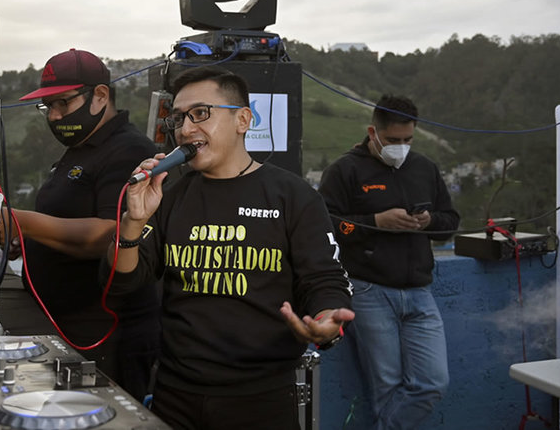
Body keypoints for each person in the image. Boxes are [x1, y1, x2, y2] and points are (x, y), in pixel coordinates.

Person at [105, 65, 354, 430]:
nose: (186, 129)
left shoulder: (293, 196)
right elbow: (122, 282)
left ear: (243, 120)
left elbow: (324, 279)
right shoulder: (171, 197)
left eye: (200, 114)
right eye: (178, 118)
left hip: (261, 399)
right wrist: (133, 220)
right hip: (175, 393)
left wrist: (326, 321)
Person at [0, 48, 161, 401]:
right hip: (61, 323)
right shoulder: (79, 150)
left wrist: (20, 223)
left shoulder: (129, 151)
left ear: (100, 95)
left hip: (106, 334)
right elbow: (64, 220)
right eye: (47, 107)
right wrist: (27, 239)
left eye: (62, 103)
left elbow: (109, 234)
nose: (54, 116)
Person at [318, 94, 460, 430]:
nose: (401, 147)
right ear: (373, 132)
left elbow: (450, 221)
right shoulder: (344, 171)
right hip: (369, 290)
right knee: (387, 387)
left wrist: (428, 222)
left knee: (433, 383)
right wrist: (376, 222)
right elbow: (325, 227)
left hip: (419, 291)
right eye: (393, 140)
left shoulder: (425, 168)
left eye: (408, 140)